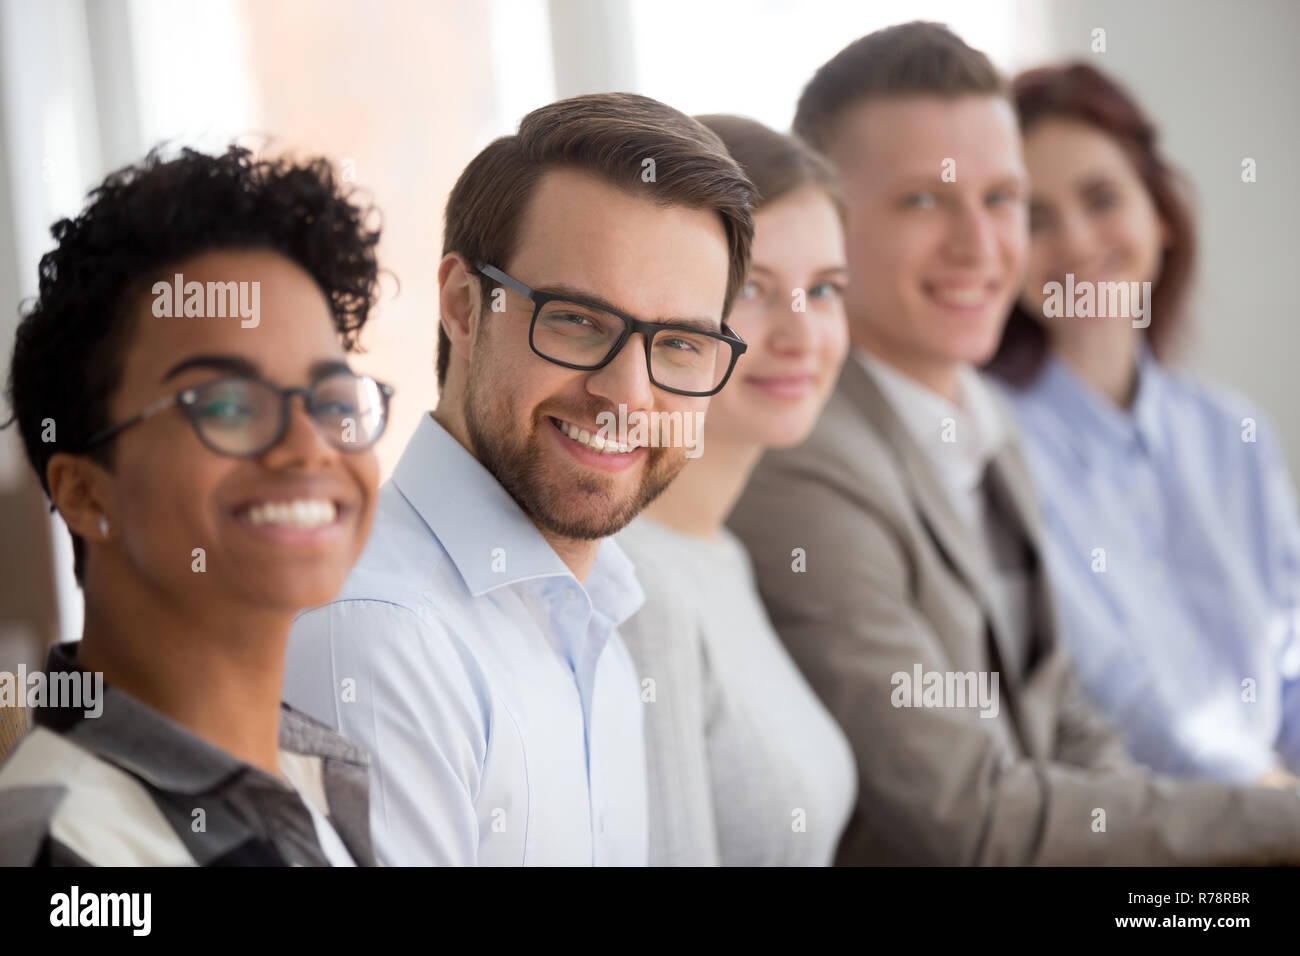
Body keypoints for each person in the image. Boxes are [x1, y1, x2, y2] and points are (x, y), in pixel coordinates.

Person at [728, 21, 1300, 865]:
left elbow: (1066, 718)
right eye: (924, 199)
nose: (980, 245)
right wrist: (1269, 825)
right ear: (831, 223)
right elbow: (965, 815)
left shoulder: (981, 423)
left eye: (1001, 200)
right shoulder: (804, 459)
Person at [284, 92, 755, 866]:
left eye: (678, 344)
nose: (628, 395)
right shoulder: (378, 635)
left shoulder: (599, 613)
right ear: (465, 308)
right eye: (578, 321)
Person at [0, 145, 391, 866]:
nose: (310, 448)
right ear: (86, 494)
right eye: (227, 404)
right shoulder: (65, 849)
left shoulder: (315, 782)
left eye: (332, 399)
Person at [985, 62, 1300, 788]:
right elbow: (1119, 698)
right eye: (1034, 217)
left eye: (1101, 198)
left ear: (1160, 217)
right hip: (1147, 841)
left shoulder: (1234, 433)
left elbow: (1291, 669)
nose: (1075, 241)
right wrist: (1269, 801)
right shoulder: (991, 444)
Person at [616, 115, 856, 866]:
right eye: (752, 288)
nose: (801, 334)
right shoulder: (634, 585)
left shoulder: (720, 554)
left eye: (824, 290)